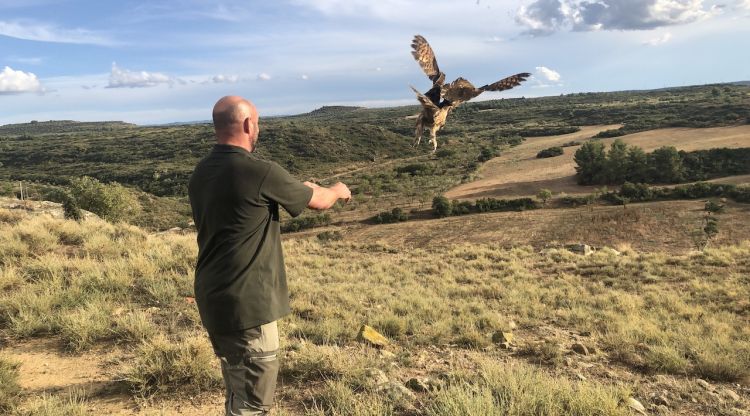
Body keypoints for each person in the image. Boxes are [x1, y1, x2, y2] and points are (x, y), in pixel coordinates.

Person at [188, 96, 351, 415]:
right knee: (252, 402)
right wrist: (337, 189)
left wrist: (296, 187)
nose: (258, 127)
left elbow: (247, 202)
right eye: (257, 122)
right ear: (248, 124)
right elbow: (320, 201)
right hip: (247, 305)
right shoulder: (259, 172)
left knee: (238, 388)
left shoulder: (202, 172)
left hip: (214, 298)